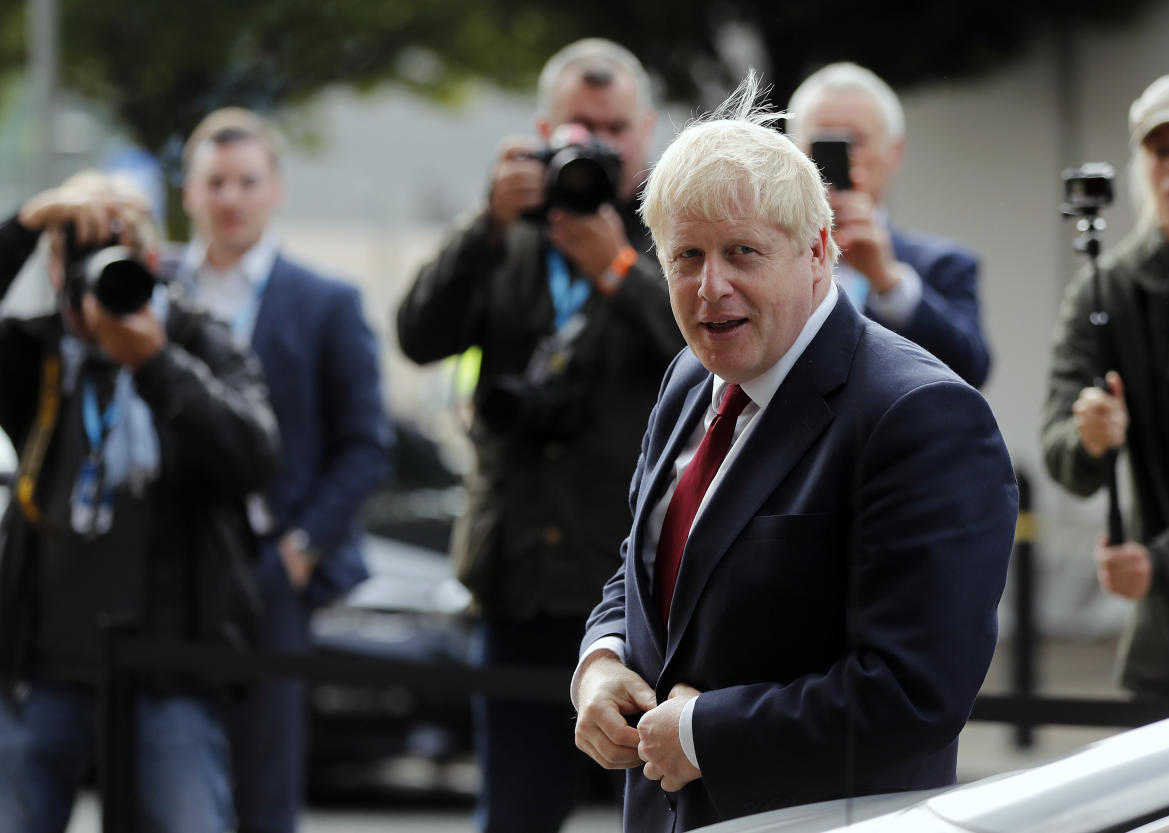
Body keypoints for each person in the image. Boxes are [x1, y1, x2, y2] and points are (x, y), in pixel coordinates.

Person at [572, 72, 1018, 833]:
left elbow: (914, 694)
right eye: (686, 257)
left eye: (743, 252)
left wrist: (705, 732)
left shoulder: (920, 416)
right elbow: (646, 564)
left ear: (818, 251)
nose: (711, 288)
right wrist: (603, 660)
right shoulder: (690, 376)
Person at [396, 38, 685, 833]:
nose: (597, 144)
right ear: (542, 128)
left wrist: (618, 270)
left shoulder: (670, 229)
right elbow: (420, 334)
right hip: (516, 567)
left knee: (654, 806)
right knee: (516, 811)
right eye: (579, 126)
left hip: (633, 575)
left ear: (646, 130)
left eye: (615, 128)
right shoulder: (506, 234)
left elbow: (706, 354)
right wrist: (485, 222)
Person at [0, 171, 279, 833]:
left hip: (170, 663)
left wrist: (154, 362)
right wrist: (28, 222)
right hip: (40, 663)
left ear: (152, 262)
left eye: (119, 250)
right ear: (55, 265)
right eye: (80, 254)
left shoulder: (196, 337)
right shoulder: (33, 350)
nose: (98, 271)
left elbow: (255, 455)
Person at [176, 107, 392, 833]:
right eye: (215, 182)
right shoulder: (154, 289)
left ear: (276, 190)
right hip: (167, 562)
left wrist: (302, 550)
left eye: (246, 180)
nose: (230, 197)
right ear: (189, 193)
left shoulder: (326, 301)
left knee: (265, 779)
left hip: (272, 565)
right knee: (161, 769)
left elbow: (366, 442)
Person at [1042, 70, 1169, 700]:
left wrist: (1162, 558)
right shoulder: (1105, 288)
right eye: (1161, 151)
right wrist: (1089, 435)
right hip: (1168, 651)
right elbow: (1063, 455)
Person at [786, 62, 991, 387]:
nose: (844, 158)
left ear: (894, 153)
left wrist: (889, 283)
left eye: (856, 140)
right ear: (793, 151)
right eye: (823, 143)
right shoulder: (765, 257)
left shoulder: (944, 265)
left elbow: (969, 371)